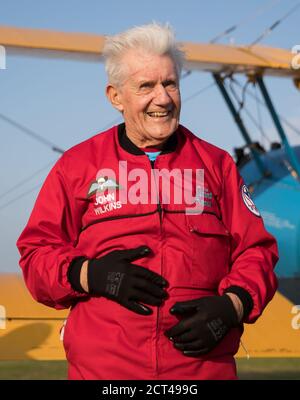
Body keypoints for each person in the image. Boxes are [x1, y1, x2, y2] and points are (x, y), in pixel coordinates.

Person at [17, 23, 278, 380]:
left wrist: (231, 307)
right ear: (115, 96)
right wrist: (90, 274)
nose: (163, 98)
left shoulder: (218, 166)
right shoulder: (76, 167)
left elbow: (257, 251)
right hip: (105, 374)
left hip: (201, 372)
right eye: (146, 86)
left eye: (170, 83)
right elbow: (35, 256)